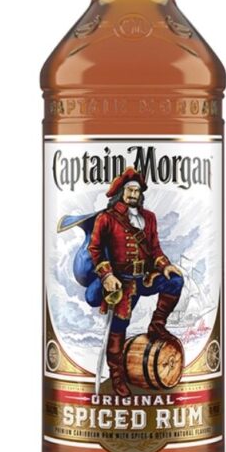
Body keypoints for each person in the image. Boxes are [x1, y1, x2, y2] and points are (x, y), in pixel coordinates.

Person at [87, 168, 183, 395]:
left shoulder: (148, 217)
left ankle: (157, 324)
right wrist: (107, 275)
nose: (133, 194)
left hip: (145, 278)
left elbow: (155, 248)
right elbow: (95, 249)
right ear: (121, 192)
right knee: (118, 329)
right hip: (122, 283)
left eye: (136, 191)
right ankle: (117, 375)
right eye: (129, 190)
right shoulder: (106, 218)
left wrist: (164, 265)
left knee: (175, 281)